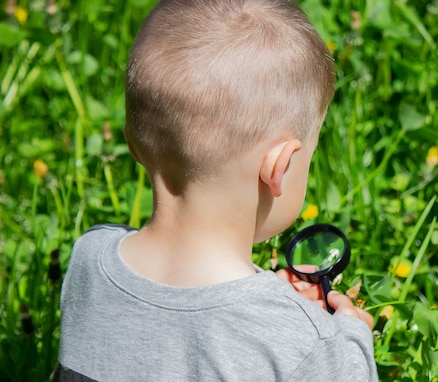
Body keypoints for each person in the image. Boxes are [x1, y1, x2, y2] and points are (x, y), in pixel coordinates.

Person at [56, 0, 377, 380]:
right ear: (280, 167)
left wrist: (270, 301)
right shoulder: (308, 344)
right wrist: (351, 341)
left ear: (132, 142)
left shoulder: (89, 258)